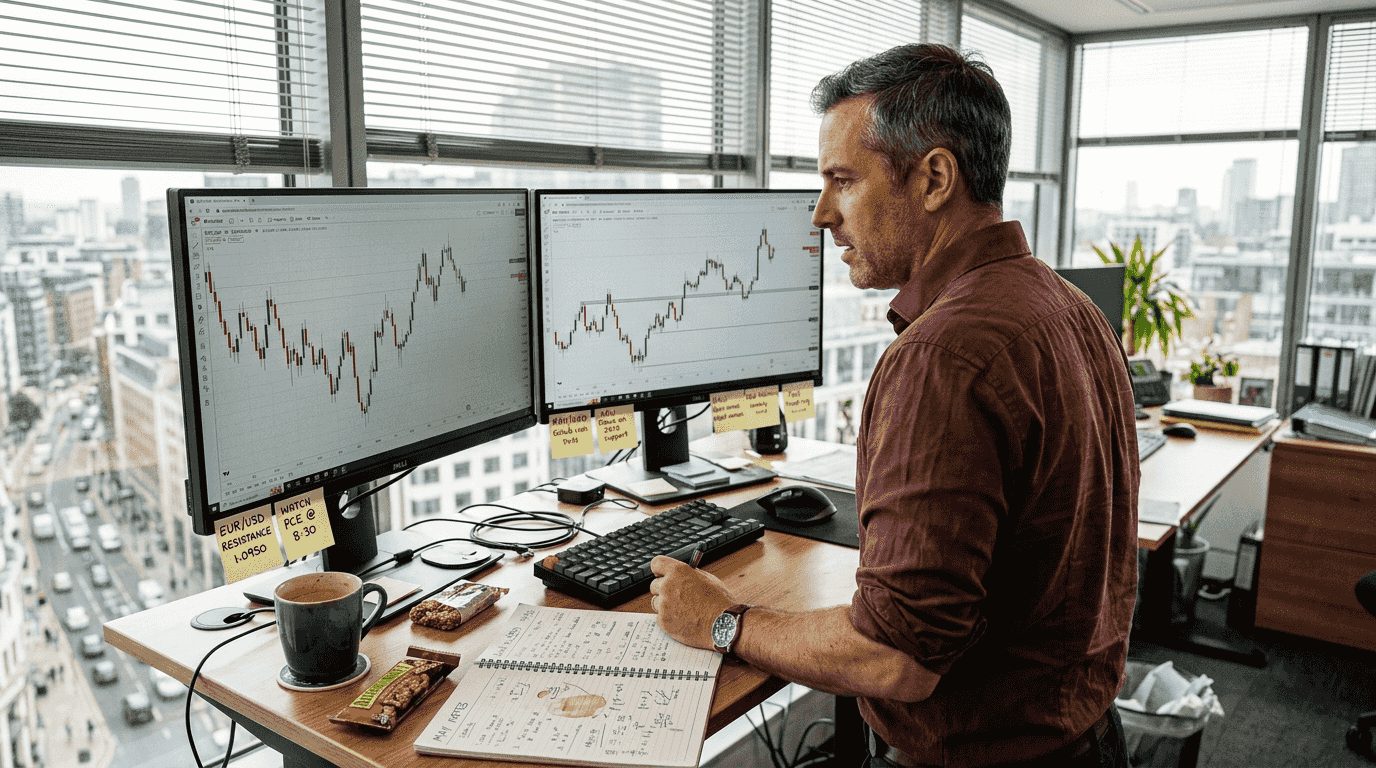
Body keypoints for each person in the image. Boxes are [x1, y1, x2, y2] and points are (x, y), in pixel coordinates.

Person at [650, 43, 1138, 768]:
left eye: (842, 181)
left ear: (935, 177)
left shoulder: (943, 356)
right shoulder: (1064, 305)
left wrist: (724, 620)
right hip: (1082, 737)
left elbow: (895, 656)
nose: (821, 215)